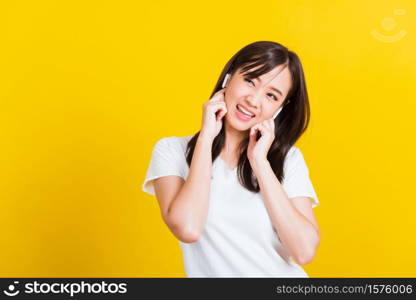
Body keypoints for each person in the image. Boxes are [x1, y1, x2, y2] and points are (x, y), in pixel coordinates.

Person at [142, 41, 320, 277]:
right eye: (249, 81)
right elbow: (188, 228)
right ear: (228, 77)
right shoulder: (172, 151)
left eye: (271, 95)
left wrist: (260, 162)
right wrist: (207, 137)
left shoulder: (288, 160)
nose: (253, 100)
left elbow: (304, 251)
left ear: (279, 108)